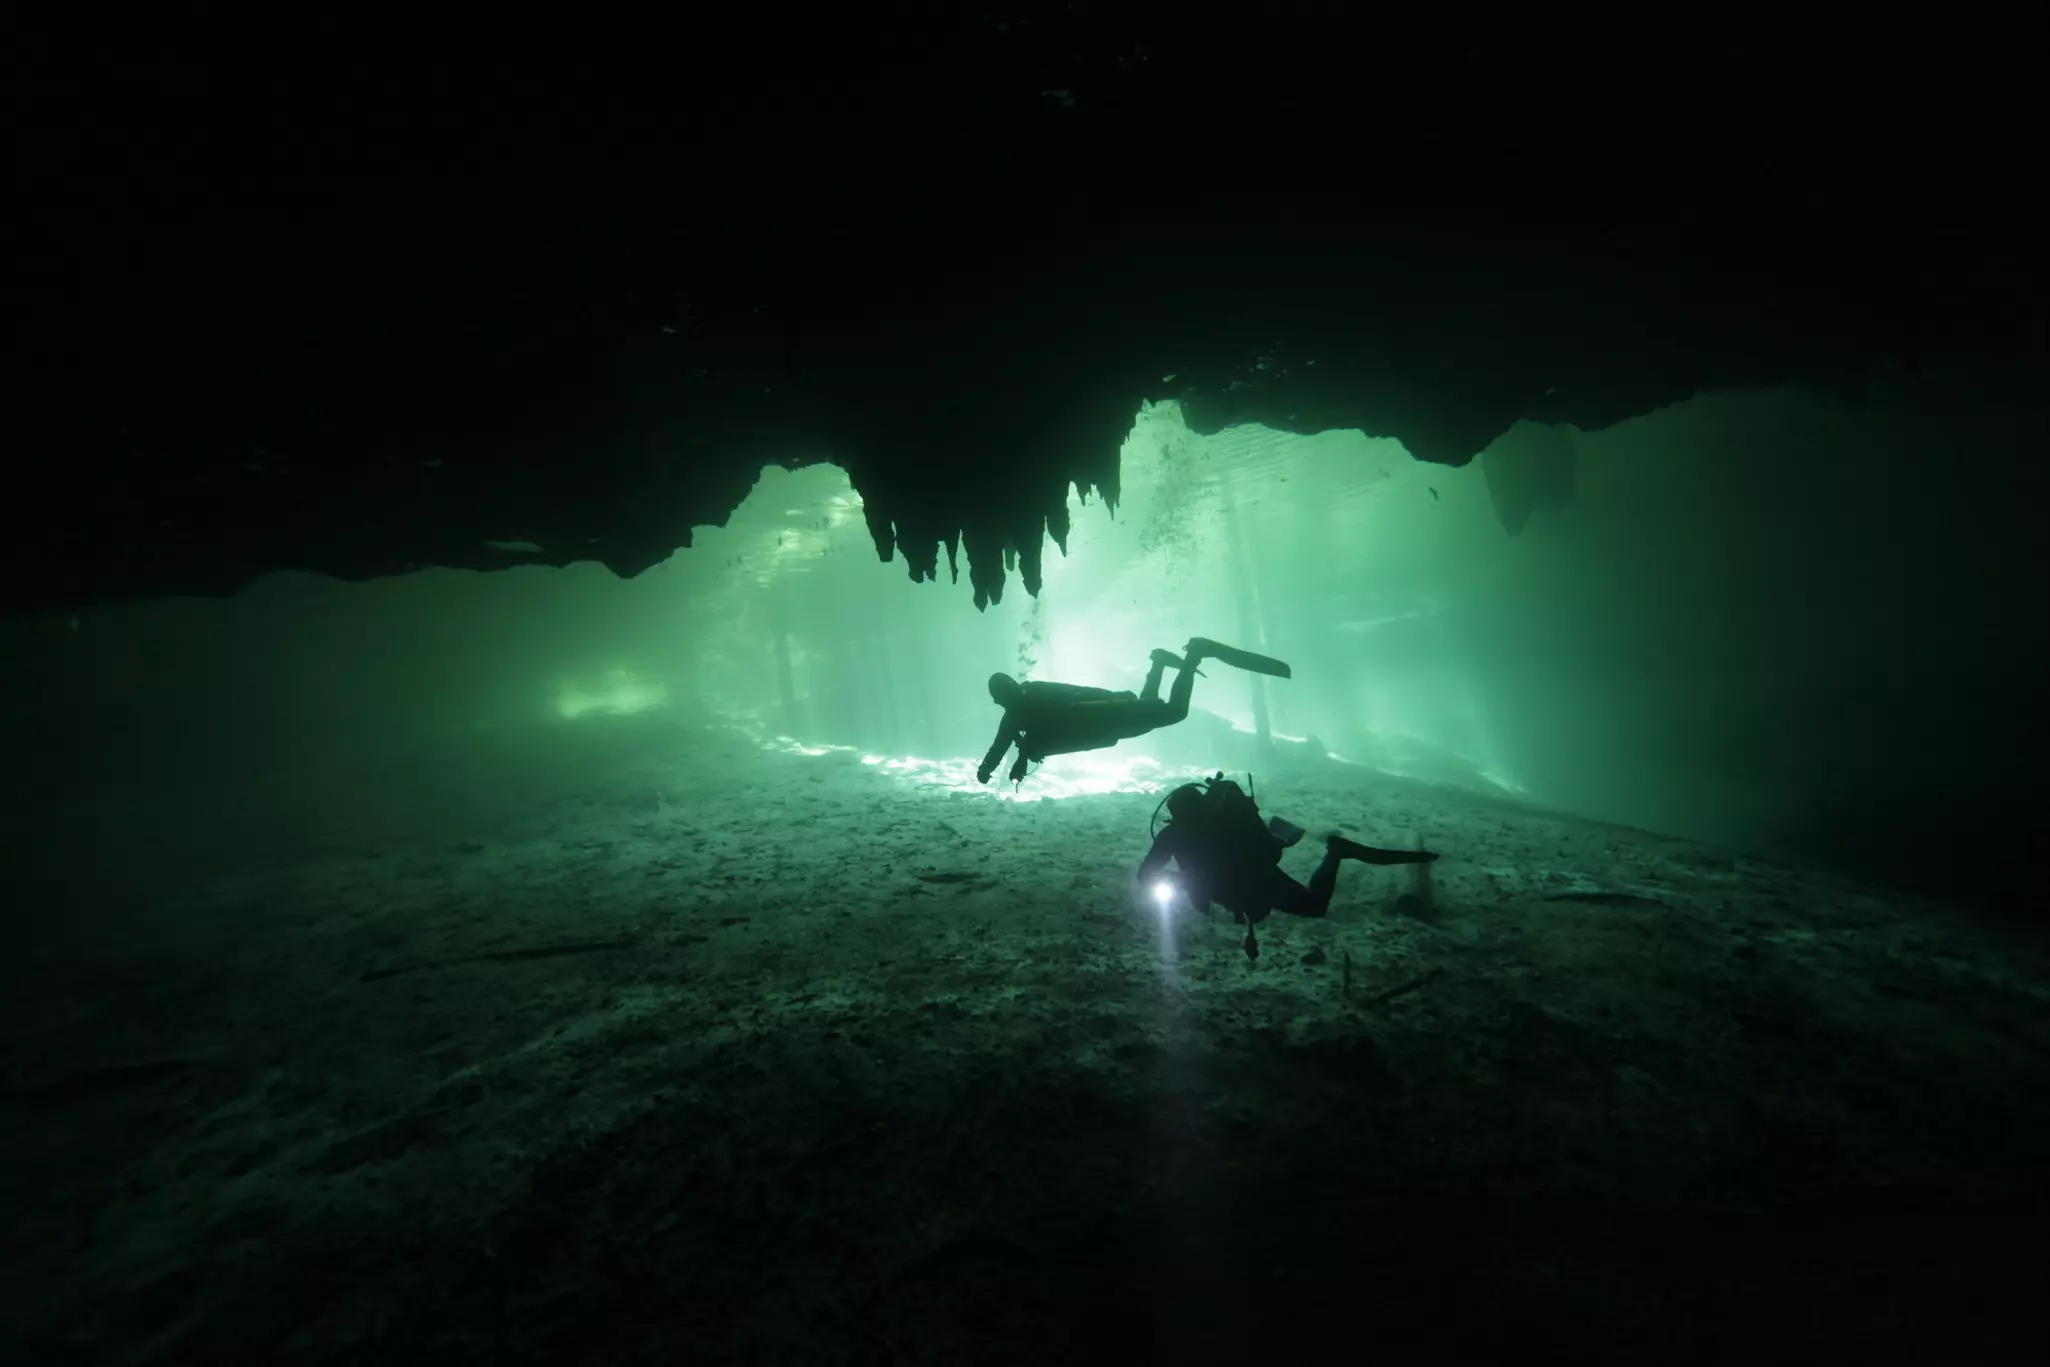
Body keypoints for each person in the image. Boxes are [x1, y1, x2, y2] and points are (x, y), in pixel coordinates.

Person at [1136, 774, 1439, 956]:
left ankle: (1336, 851)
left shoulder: (1173, 833)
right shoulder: (1195, 828)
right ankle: (1336, 852)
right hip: (1258, 880)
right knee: (1313, 906)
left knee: (1311, 907)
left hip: (1248, 883)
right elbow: (1148, 875)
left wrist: (1182, 881)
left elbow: (1146, 875)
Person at [977, 637, 1291, 785]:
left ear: (1003, 696)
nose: (998, 703)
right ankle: (1157, 663)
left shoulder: (1021, 709)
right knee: (1150, 714)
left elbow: (1007, 742)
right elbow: (1005, 743)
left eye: (998, 697)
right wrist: (987, 769)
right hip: (1109, 718)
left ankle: (1195, 655)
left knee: (1172, 713)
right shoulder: (1029, 696)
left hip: (1108, 719)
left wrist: (989, 770)